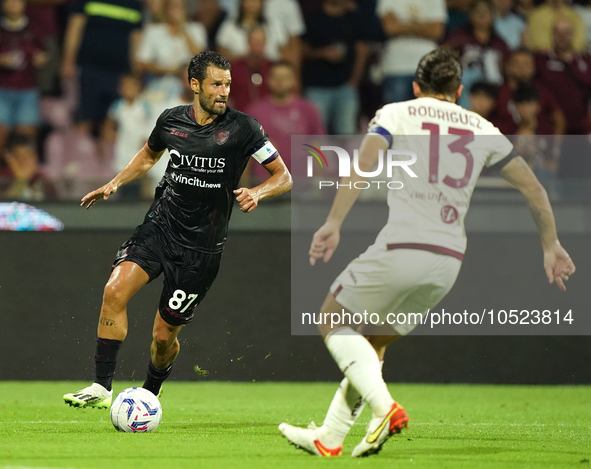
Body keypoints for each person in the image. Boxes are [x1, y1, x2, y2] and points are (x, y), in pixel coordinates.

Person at [278, 47, 575, 458]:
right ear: (458, 89)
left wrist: (333, 223)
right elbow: (534, 189)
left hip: (403, 245)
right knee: (373, 342)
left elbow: (361, 167)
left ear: (417, 86)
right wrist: (551, 245)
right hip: (447, 261)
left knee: (332, 319)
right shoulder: (483, 126)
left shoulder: (397, 112)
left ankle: (385, 409)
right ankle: (329, 437)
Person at [63, 50, 292, 408]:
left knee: (163, 336)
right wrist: (114, 183)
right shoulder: (171, 121)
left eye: (228, 84)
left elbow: (284, 176)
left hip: (200, 249)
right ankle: (102, 387)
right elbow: (149, 154)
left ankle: (150, 395)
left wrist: (257, 191)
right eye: (217, 84)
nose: (224, 91)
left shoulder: (243, 128)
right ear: (195, 84)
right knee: (114, 291)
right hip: (160, 227)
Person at [246, 60, 325, 182]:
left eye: (285, 77)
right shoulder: (255, 111)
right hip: (266, 184)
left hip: (302, 182)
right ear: (268, 80)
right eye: (276, 77)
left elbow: (317, 145)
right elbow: (245, 152)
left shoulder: (309, 110)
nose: (280, 82)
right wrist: (242, 185)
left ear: (294, 80)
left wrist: (319, 181)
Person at [377, 0, 446, 104]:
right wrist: (424, 25)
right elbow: (390, 28)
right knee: (396, 117)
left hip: (428, 68)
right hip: (397, 68)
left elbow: (437, 31)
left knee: (427, 116)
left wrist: (402, 24)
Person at [0, 0, 47, 153]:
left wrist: (41, 59)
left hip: (28, 88)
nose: (13, 5)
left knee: (26, 137)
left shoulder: (35, 27)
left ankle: (23, 173)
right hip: (3, 88)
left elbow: (46, 53)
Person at [445, 0, 511, 109]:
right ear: (470, 14)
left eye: (486, 12)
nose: (482, 16)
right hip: (465, 93)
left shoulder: (500, 43)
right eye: (477, 12)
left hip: (493, 92)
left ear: (493, 15)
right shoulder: (458, 37)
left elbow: (506, 70)